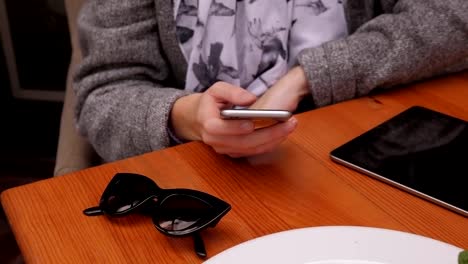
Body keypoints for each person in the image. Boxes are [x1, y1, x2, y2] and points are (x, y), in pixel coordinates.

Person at [74, 0, 468, 162]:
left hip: (351, 155)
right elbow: (105, 92)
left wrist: (311, 75)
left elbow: (454, 17)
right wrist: (186, 117)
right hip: (196, 175)